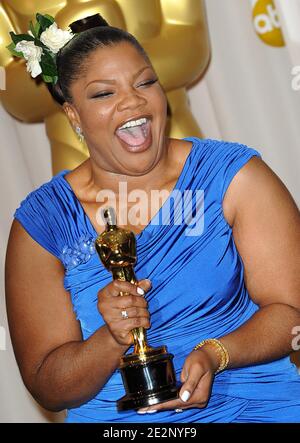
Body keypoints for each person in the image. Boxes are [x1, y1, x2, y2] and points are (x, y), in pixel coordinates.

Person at [5, 13, 300, 423]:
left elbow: (291, 312)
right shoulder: (44, 223)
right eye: (104, 94)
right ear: (73, 116)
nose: (133, 101)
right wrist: (112, 337)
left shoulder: (234, 177)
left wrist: (217, 353)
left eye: (145, 82)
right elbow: (47, 386)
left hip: (255, 407)